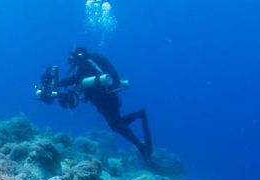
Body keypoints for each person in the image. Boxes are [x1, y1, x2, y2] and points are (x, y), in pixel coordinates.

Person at [36, 47, 166, 172]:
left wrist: (58, 83)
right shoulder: (89, 65)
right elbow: (76, 81)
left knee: (117, 126)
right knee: (117, 125)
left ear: (77, 56)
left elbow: (75, 79)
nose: (72, 62)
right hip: (108, 101)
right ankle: (140, 129)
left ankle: (141, 143)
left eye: (72, 59)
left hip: (107, 101)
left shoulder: (85, 65)